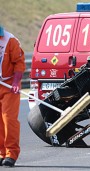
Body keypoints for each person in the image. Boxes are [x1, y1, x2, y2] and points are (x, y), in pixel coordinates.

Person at [0, 25, 26, 167]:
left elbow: (19, 63)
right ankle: (1, 153)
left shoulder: (10, 41)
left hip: (9, 86)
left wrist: (16, 82)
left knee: (8, 119)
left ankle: (11, 153)